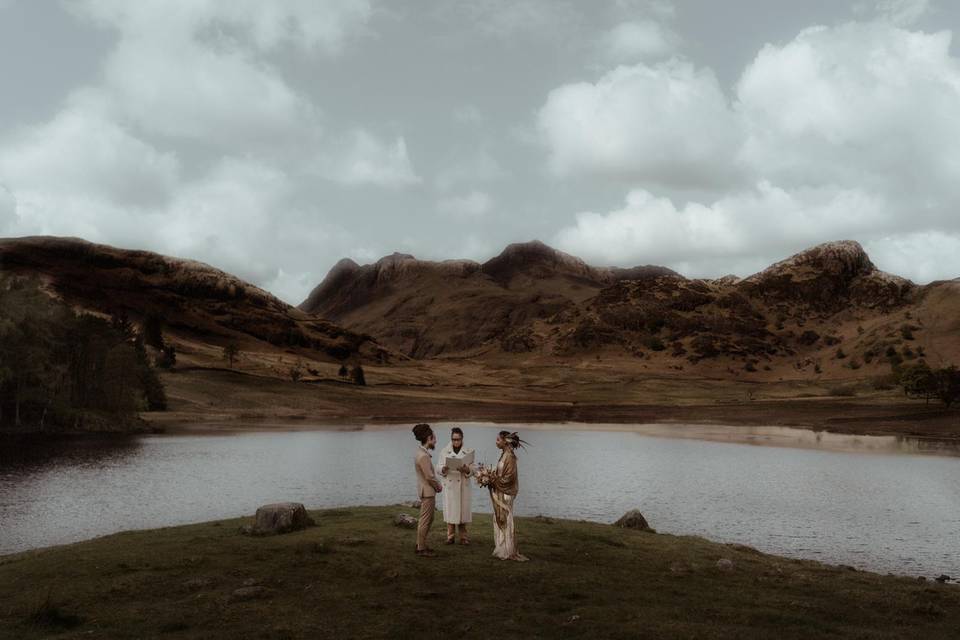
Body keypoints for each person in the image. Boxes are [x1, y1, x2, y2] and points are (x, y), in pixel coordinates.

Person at [480, 431, 529, 562]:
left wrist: (493, 480)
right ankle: (501, 548)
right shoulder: (503, 455)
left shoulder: (510, 457)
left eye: (497, 440)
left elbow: (509, 478)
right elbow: (500, 473)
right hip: (500, 490)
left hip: (506, 493)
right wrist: (489, 476)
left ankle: (508, 550)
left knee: (505, 519)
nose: (496, 442)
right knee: (498, 519)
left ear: (505, 441)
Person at [436, 427, 474, 545]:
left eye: (458, 439)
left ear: (462, 439)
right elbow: (437, 467)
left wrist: (467, 469)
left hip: (463, 486)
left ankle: (464, 538)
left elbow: (474, 468)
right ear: (451, 439)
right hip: (450, 486)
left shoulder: (468, 451)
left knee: (462, 513)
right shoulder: (444, 451)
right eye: (453, 439)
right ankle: (450, 537)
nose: (455, 442)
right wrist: (443, 468)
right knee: (451, 512)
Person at [412, 423, 443, 557]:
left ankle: (421, 544)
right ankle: (421, 548)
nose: (435, 441)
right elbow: (429, 476)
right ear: (429, 438)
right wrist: (439, 486)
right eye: (434, 438)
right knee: (425, 520)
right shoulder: (423, 456)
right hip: (428, 491)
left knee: (428, 519)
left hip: (425, 490)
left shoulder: (420, 452)